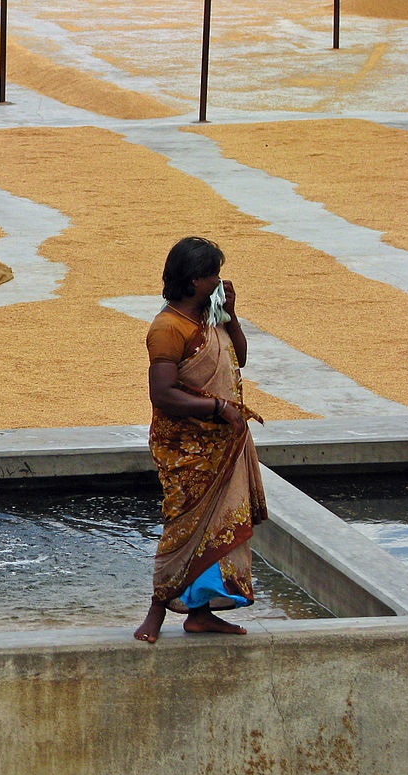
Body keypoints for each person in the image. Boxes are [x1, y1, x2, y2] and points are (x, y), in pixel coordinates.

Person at [134, 236, 267, 643]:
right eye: (213, 275)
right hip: (188, 450)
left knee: (218, 530)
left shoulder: (213, 318)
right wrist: (216, 409)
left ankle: (201, 612)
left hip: (222, 445)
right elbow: (163, 393)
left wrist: (232, 315)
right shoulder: (168, 328)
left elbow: (239, 357)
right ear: (193, 281)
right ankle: (155, 614)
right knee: (182, 528)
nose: (219, 281)